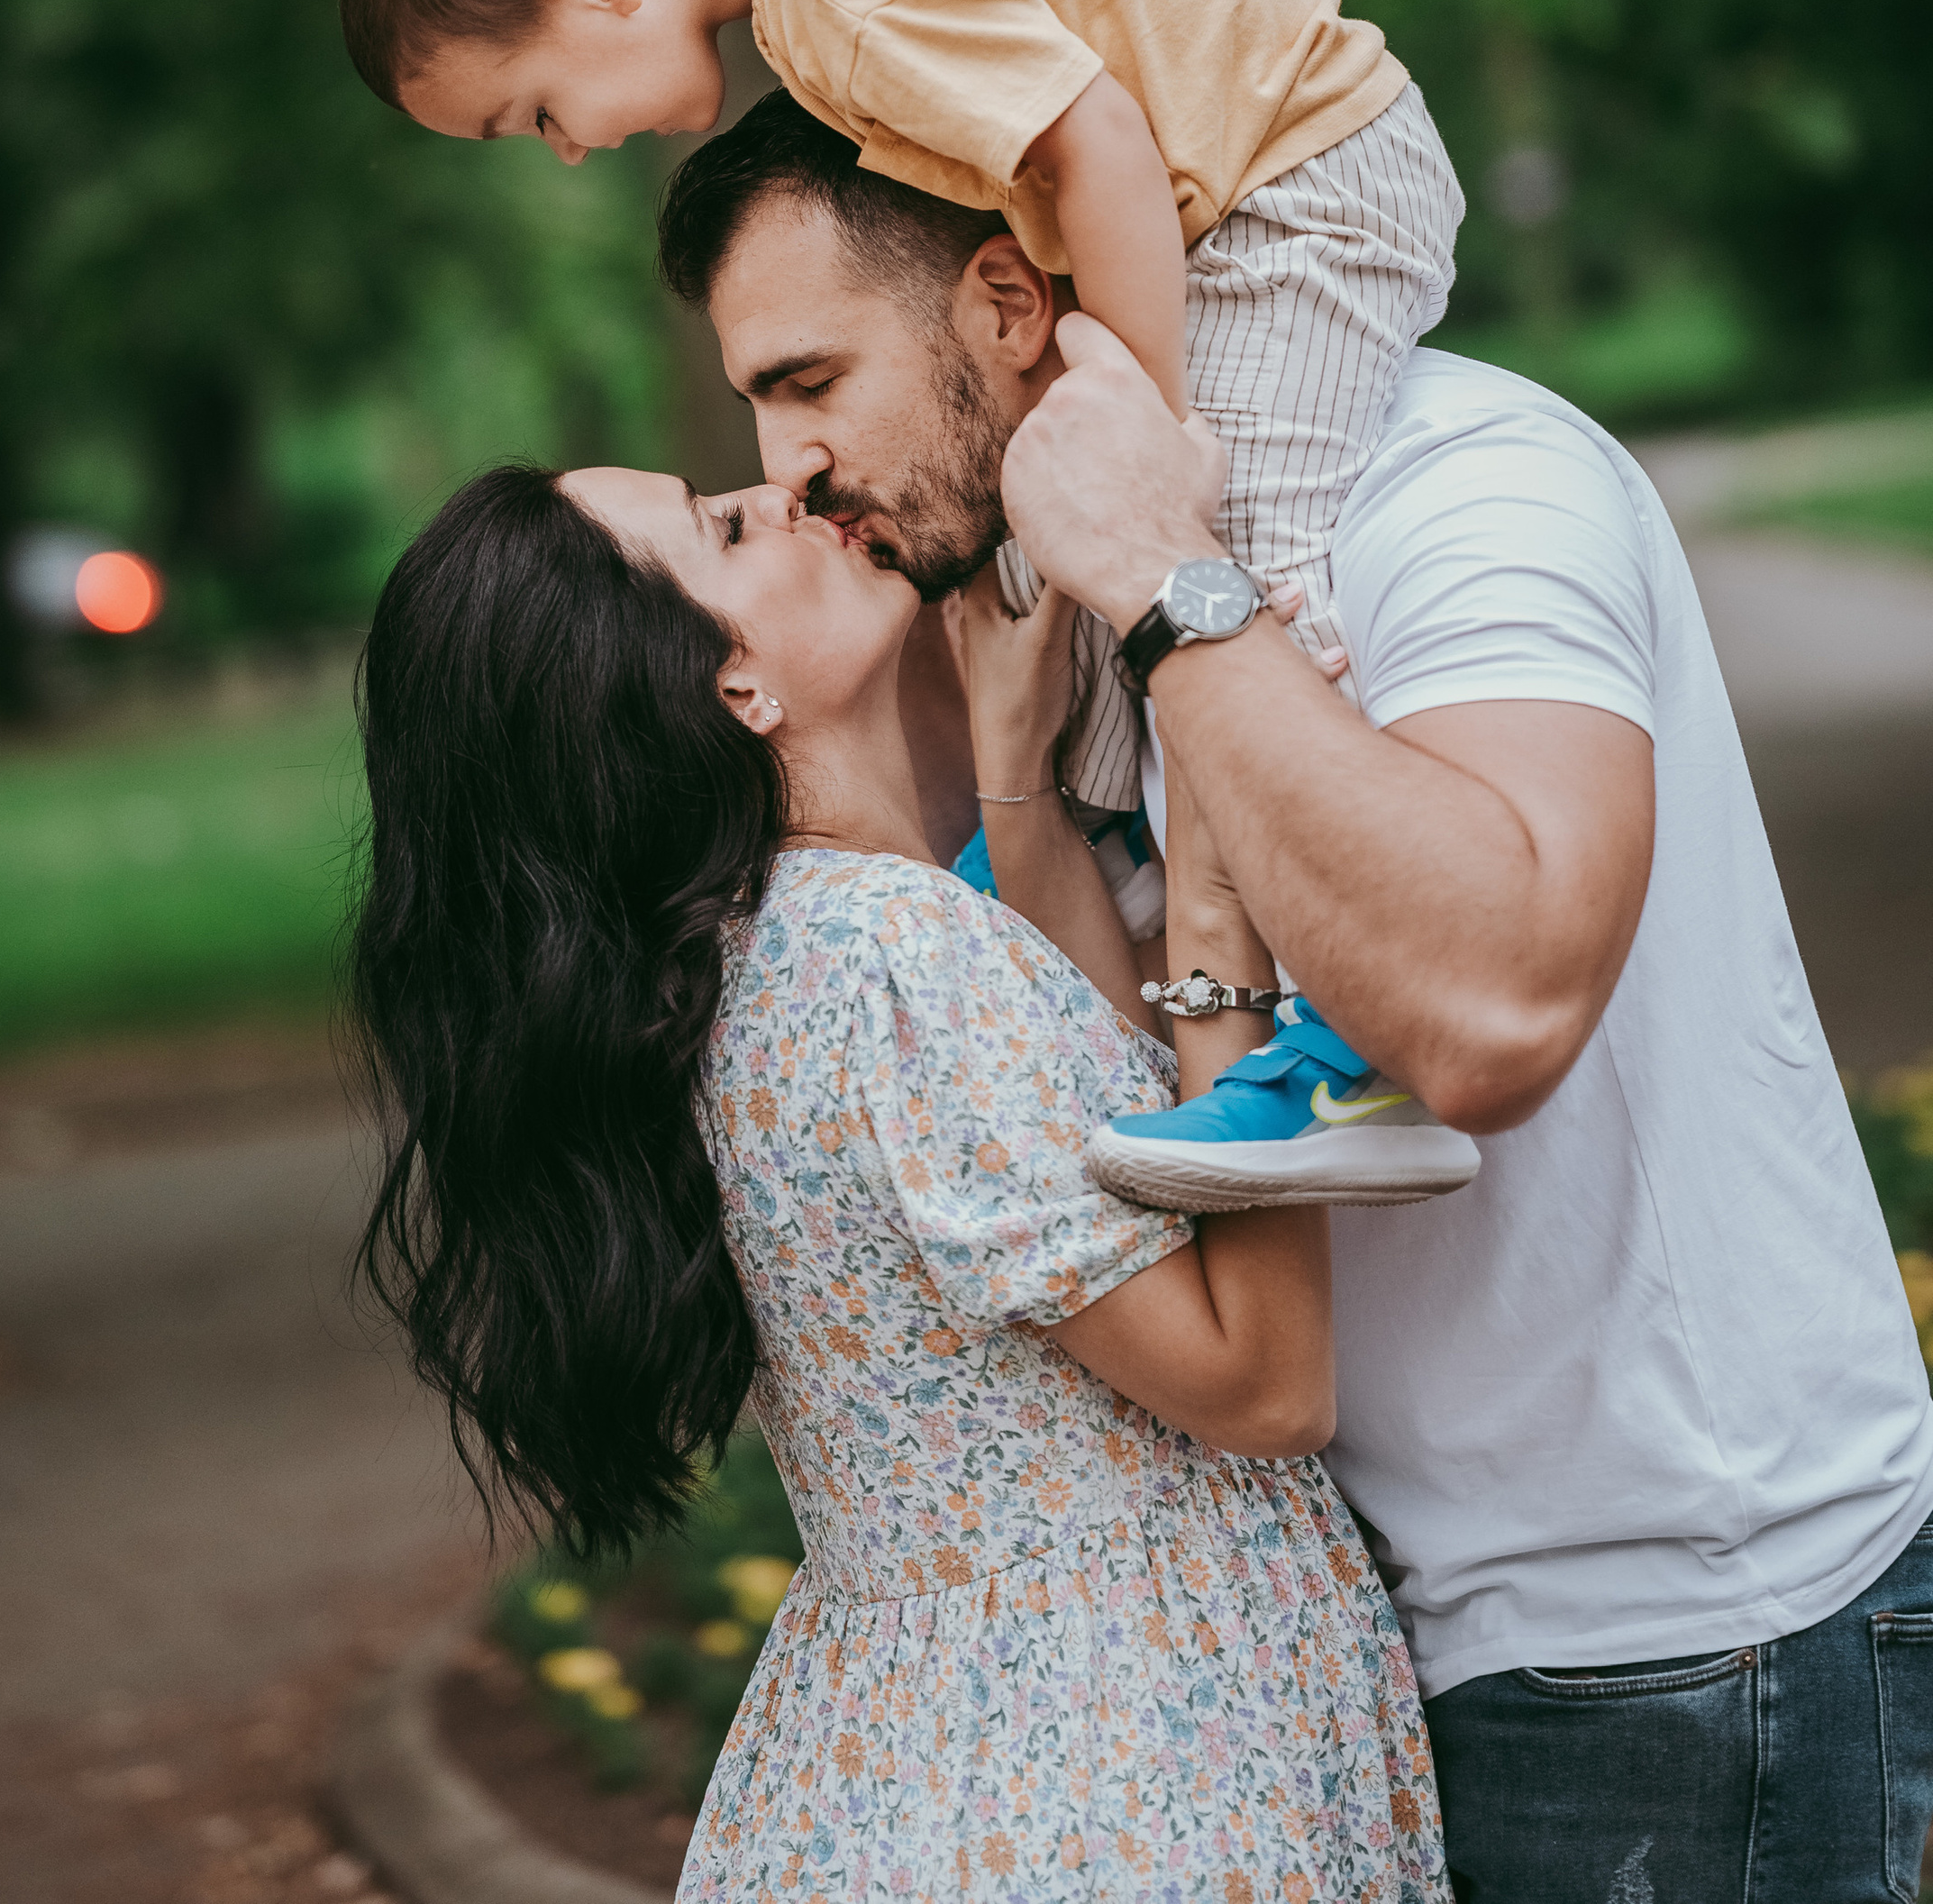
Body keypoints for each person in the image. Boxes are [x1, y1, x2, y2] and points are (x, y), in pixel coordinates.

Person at [654, 95, 1933, 1904]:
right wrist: (1024, 781)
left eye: (807, 381)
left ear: (1004, 303)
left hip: (1660, 1614)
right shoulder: (1074, 612)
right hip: (1385, 1620)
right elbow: (1151, 1094)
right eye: (750, 419)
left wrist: (1171, 604)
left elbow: (1488, 1018)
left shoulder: (1461, 486)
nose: (788, 466)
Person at [339, 0, 1476, 1204]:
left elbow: (1102, 148)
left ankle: (1356, 1046)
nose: (570, 153)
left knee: (1222, 585)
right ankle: (1215, 976)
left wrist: (1132, 440)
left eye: (537, 113)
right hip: (1257, 178)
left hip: (1297, 195)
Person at [345, 455, 1446, 1902]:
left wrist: (1019, 774)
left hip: (924, 1748)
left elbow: (1096, 1131)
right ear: (731, 685)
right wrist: (1225, 909)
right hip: (1128, 1759)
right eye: (726, 526)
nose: (784, 486)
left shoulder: (742, 972)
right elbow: (1264, 1389)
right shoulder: (892, 963)